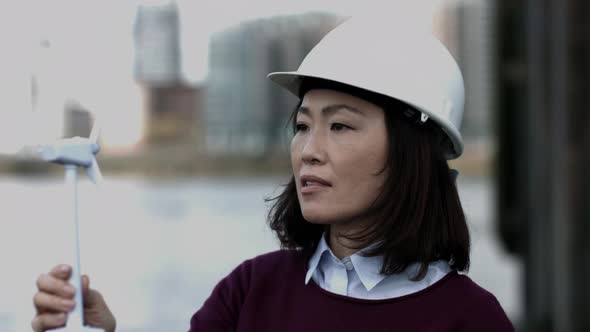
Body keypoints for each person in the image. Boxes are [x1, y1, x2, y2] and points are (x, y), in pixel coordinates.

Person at [31, 16, 515, 332]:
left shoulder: (473, 319)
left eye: (340, 126)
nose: (308, 150)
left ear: (413, 152)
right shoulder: (249, 292)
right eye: (302, 126)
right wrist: (100, 328)